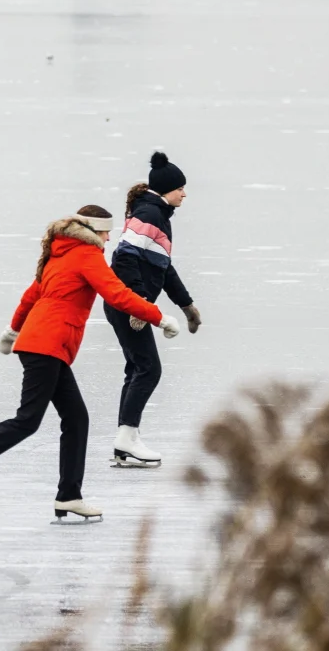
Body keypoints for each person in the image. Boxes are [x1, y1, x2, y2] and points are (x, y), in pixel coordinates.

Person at [0, 206, 181, 522]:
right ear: (92, 230)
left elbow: (31, 296)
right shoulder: (87, 255)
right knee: (27, 420)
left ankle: (69, 497)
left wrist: (12, 331)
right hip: (47, 346)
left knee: (76, 420)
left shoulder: (60, 254)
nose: (108, 237)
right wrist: (159, 317)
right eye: (105, 231)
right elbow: (117, 293)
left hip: (45, 345)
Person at [105, 152, 202, 468]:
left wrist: (186, 305)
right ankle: (126, 439)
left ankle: (126, 441)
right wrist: (140, 303)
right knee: (148, 369)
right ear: (167, 189)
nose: (184, 194)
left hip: (125, 303)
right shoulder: (150, 214)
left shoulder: (156, 214)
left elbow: (163, 268)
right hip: (127, 304)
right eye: (181, 188)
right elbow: (124, 258)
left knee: (137, 368)